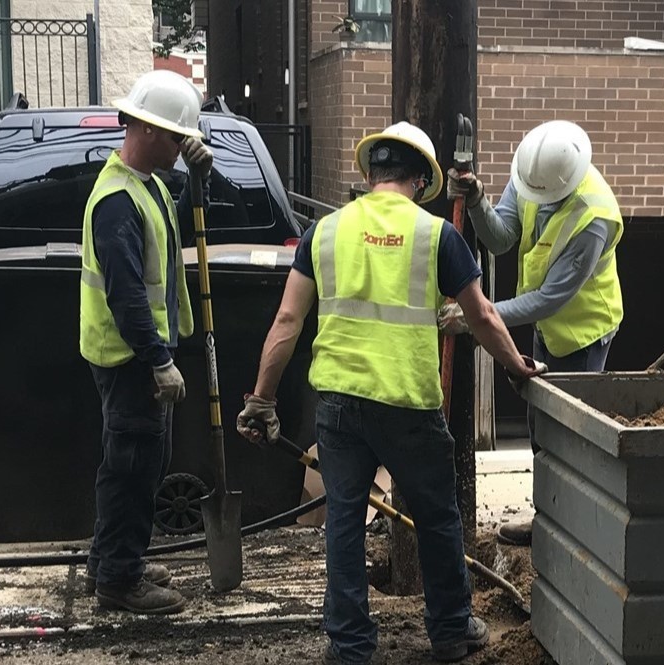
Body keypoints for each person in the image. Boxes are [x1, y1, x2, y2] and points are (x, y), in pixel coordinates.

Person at [234, 122, 545, 664]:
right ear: (422, 180)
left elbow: (287, 319)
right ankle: (450, 630)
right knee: (438, 519)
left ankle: (351, 646)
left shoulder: (325, 232)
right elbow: (484, 316)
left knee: (345, 523)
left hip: (339, 407)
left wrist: (261, 400)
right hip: (408, 406)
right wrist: (518, 368)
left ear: (370, 174)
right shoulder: (434, 235)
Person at [443, 120, 623, 547]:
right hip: (548, 328)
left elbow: (549, 299)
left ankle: (571, 531)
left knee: (572, 438)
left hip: (582, 334)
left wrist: (475, 314)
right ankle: (547, 519)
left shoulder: (593, 218)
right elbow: (501, 238)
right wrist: (476, 201)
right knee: (540, 429)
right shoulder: (532, 175)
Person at [77, 69, 214, 615]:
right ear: (154, 131)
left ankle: (110, 558)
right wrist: (159, 361)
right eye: (181, 137)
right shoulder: (116, 201)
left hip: (137, 356)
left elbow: (171, 235)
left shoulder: (147, 186)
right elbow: (127, 293)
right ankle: (119, 580)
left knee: (130, 464)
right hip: (131, 359)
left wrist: (199, 184)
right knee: (134, 467)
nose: (186, 147)